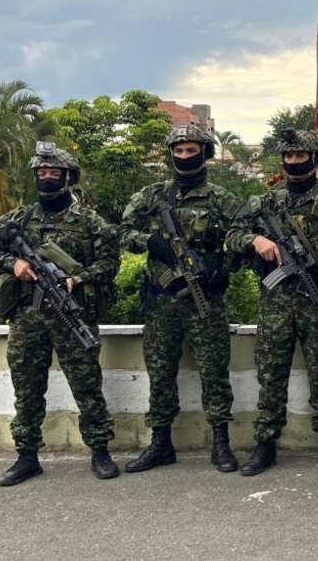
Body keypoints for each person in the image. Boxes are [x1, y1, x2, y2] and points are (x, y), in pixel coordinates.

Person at [225, 128, 318, 476]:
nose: (293, 162)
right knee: (271, 376)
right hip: (276, 303)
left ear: (315, 160)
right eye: (288, 156)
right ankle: (266, 444)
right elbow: (231, 236)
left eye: (300, 156)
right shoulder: (265, 202)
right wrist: (255, 239)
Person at [0, 142, 120, 485]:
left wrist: (78, 278)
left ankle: (100, 451)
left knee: (87, 386)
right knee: (27, 389)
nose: (47, 178)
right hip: (28, 319)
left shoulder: (89, 222)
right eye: (41, 172)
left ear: (68, 176)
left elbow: (109, 263)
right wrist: (13, 263)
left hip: (71, 316)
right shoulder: (17, 219)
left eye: (54, 172)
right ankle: (27, 456)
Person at [118, 123, 242, 474]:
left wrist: (223, 267)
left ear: (205, 153)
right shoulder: (151, 195)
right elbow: (123, 232)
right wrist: (151, 243)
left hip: (206, 300)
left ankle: (221, 442)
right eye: (179, 150)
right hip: (162, 302)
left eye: (192, 150)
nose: (184, 156)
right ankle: (160, 443)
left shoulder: (221, 198)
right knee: (160, 373)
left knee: (214, 372)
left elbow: (245, 235)